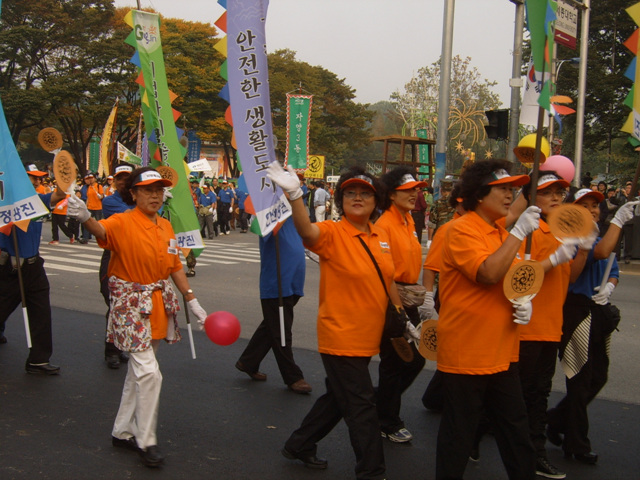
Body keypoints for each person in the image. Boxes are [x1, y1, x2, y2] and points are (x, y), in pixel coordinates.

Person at [67, 166, 208, 467]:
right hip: (130, 305)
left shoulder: (166, 226)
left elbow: (174, 266)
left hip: (158, 303)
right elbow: (102, 231)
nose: (155, 195)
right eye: (147, 190)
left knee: (138, 372)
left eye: (159, 190)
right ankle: (146, 440)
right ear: (133, 194)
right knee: (149, 373)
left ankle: (122, 431)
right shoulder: (122, 220)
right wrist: (85, 218)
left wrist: (192, 299)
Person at [269, 162, 394, 479]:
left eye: (365, 193)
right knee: (362, 405)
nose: (357, 197)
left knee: (339, 398)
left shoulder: (381, 236)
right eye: (350, 192)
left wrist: (402, 317)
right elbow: (307, 231)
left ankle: (300, 443)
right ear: (340, 200)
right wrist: (296, 195)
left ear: (376, 200)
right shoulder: (333, 233)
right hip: (340, 336)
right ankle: (372, 471)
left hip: (369, 336)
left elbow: (387, 280)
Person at [435, 160, 538, 480]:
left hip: (501, 350)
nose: (511, 195)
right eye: (503, 189)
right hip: (467, 351)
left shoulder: (499, 232)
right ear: (480, 194)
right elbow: (488, 273)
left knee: (516, 430)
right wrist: (519, 232)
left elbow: (512, 279)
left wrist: (524, 301)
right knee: (459, 434)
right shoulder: (458, 229)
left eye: (513, 189)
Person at [546, 189, 640, 465]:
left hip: (597, 310)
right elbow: (599, 253)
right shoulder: (570, 237)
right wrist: (620, 221)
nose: (592, 210)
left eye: (595, 206)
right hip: (574, 310)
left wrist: (609, 287)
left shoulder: (598, 236)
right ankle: (576, 443)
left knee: (599, 376)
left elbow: (612, 270)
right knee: (580, 378)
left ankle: (556, 419)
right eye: (584, 206)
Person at [511, 172, 590, 480]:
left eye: (559, 192)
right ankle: (483, 441)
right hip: (526, 329)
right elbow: (518, 278)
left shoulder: (563, 231)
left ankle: (534, 454)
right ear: (531, 198)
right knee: (518, 397)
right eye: (546, 192)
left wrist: (580, 248)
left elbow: (570, 278)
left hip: (551, 327)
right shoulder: (528, 230)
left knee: (539, 394)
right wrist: (553, 259)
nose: (555, 197)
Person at [374, 167, 427, 443]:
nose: (415, 193)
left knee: (413, 360)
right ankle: (387, 420)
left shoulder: (408, 221)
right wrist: (398, 313)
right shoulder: (384, 225)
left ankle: (379, 404)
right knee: (396, 362)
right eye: (408, 190)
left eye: (416, 189)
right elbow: (385, 274)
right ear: (392, 195)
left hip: (410, 300)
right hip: (392, 302)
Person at [0, 164, 65, 373]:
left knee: (41, 313)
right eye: (31, 178)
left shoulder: (38, 202)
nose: (36, 182)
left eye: (38, 179)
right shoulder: (4, 205)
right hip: (8, 269)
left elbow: (60, 194)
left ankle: (39, 359)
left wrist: (60, 163)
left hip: (33, 267)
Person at [235, 216, 311, 393]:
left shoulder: (296, 211)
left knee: (273, 325)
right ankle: (293, 376)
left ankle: (248, 361)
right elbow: (263, 231)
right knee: (281, 330)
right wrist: (280, 212)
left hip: (294, 280)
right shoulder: (268, 211)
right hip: (277, 282)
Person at [100, 164, 135, 369]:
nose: (123, 182)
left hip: (133, 258)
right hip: (113, 256)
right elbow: (129, 217)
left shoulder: (138, 200)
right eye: (120, 178)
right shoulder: (110, 201)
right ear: (114, 181)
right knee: (114, 304)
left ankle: (120, 345)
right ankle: (111, 351)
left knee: (128, 305)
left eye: (127, 179)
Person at [427, 175, 455, 240]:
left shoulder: (437, 203)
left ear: (441, 190)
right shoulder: (458, 203)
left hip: (439, 236)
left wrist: (429, 240)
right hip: (454, 236)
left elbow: (432, 224)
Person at [79, 172, 104, 244]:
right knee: (87, 223)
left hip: (98, 207)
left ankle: (101, 237)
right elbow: (88, 198)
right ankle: (85, 238)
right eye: (89, 178)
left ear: (95, 179)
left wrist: (100, 196)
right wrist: (86, 207)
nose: (90, 180)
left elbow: (102, 196)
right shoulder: (89, 187)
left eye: (92, 178)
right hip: (90, 207)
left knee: (99, 224)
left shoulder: (99, 186)